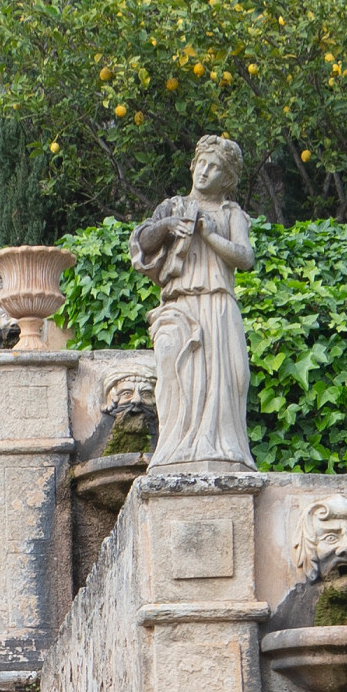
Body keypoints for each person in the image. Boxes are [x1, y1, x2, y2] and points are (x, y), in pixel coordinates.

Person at [128, 134, 256, 469]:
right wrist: (169, 225)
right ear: (193, 165)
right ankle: (174, 451)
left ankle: (224, 453)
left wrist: (208, 234)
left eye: (214, 168)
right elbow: (142, 244)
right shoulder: (172, 206)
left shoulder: (232, 213)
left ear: (226, 179)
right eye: (202, 163)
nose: (205, 172)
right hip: (179, 307)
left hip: (218, 306)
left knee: (229, 379)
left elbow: (245, 258)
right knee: (176, 375)